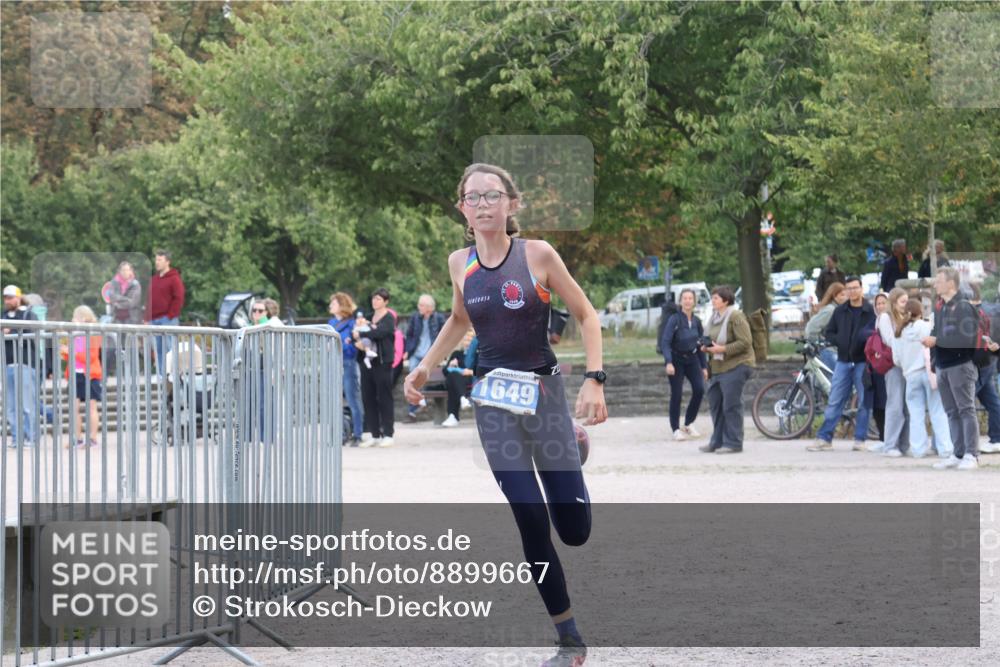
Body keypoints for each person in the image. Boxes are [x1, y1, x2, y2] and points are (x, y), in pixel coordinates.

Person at [404, 163, 607, 666]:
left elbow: (586, 314)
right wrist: (424, 366)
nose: (482, 204)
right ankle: (570, 640)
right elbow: (458, 319)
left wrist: (594, 379)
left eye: (492, 195)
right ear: (462, 210)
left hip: (545, 394)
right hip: (494, 401)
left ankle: (573, 442)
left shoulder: (536, 254)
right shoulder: (459, 263)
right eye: (472, 197)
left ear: (511, 205)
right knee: (529, 518)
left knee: (575, 531)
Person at [808, 276, 877, 452]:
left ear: (862, 289)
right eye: (849, 288)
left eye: (855, 288)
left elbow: (875, 334)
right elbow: (829, 332)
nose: (852, 291)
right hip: (843, 361)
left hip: (863, 362)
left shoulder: (870, 311)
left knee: (864, 402)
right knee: (835, 400)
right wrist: (840, 341)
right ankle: (825, 438)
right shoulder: (840, 311)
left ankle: (860, 439)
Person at [923, 267, 980, 470]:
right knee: (951, 411)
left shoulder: (964, 307)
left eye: (939, 280)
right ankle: (958, 453)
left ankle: (971, 454)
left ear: (951, 283)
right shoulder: (941, 308)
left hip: (960, 364)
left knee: (966, 409)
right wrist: (934, 362)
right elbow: (934, 332)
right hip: (944, 365)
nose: (935, 284)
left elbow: (966, 339)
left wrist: (937, 340)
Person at [892, 299, 953, 459]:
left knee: (915, 413)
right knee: (937, 411)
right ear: (920, 312)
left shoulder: (899, 332)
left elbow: (896, 360)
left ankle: (918, 449)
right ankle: (945, 448)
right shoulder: (925, 327)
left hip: (910, 375)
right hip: (929, 373)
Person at [698, 286, 755, 454]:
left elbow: (745, 342)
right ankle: (717, 441)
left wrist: (721, 349)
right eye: (713, 298)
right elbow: (712, 340)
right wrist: (706, 348)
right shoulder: (714, 318)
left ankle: (734, 443)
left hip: (737, 365)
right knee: (716, 404)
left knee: (731, 405)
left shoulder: (736, 316)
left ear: (726, 300)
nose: (712, 300)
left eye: (716, 298)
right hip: (717, 367)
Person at [659, 288, 707, 441]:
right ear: (680, 301)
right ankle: (675, 429)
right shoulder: (674, 319)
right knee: (677, 394)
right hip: (676, 360)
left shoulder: (697, 321)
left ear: (694, 301)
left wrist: (704, 366)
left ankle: (688, 423)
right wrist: (669, 362)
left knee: (699, 389)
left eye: (690, 298)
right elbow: (665, 342)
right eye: (684, 298)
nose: (687, 301)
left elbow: (701, 344)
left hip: (692, 359)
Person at [354, 288, 397, 448]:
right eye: (374, 298)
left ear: (386, 301)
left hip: (382, 362)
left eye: (378, 299)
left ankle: (388, 433)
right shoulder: (368, 317)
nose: (375, 301)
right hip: (367, 363)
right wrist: (358, 338)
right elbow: (358, 333)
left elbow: (380, 333)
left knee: (384, 397)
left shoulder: (388, 318)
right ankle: (374, 434)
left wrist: (363, 333)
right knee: (368, 397)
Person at [873, 288, 910, 457]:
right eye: (903, 301)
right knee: (895, 404)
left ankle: (903, 443)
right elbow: (889, 340)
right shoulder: (886, 318)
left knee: (906, 406)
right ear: (894, 302)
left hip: (906, 365)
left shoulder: (904, 316)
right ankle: (890, 444)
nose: (906, 305)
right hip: (894, 365)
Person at [60, 305, 103, 449]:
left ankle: (92, 439)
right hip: (75, 374)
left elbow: (90, 357)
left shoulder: (93, 333)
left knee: (91, 407)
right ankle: (77, 438)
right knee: (74, 407)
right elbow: (71, 356)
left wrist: (70, 351)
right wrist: (64, 351)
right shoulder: (74, 334)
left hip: (90, 374)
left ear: (83, 318)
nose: (72, 320)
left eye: (75, 317)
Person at [2, 285, 39, 448]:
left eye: (10, 297)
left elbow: (34, 332)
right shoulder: (3, 316)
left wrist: (13, 330)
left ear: (18, 297)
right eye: (5, 297)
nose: (7, 300)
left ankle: (31, 437)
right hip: (7, 364)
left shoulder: (27, 314)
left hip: (24, 364)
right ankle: (17, 438)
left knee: (26, 405)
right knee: (10, 406)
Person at [329, 292, 364, 446]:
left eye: (334, 303)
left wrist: (340, 345)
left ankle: (358, 433)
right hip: (333, 363)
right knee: (334, 401)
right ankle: (340, 433)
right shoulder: (330, 323)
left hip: (348, 363)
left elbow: (351, 349)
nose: (331, 306)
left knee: (353, 399)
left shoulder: (352, 323)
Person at [968, 283, 1000, 452]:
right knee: (992, 400)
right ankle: (996, 438)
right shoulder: (993, 309)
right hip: (991, 358)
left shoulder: (976, 313)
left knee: (968, 399)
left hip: (979, 360)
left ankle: (971, 442)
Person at [404, 295, 446, 420]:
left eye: (421, 305)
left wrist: (442, 354)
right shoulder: (415, 317)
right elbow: (409, 335)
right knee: (412, 377)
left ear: (429, 308)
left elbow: (444, 337)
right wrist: (407, 351)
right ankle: (415, 407)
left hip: (430, 355)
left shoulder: (438, 318)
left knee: (425, 376)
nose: (419, 307)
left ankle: (419, 404)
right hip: (416, 354)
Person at [146, 249, 185, 378]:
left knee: (170, 350)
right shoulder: (154, 279)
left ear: (167, 262)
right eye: (156, 259)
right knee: (158, 351)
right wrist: (147, 317)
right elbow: (149, 299)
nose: (156, 262)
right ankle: (163, 379)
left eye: (159, 260)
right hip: (154, 320)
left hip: (167, 319)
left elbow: (178, 298)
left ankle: (172, 378)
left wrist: (170, 315)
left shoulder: (174, 278)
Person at [440, 328, 478, 428]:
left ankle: (453, 416)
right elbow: (445, 371)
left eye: (470, 339)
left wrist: (469, 371)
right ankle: (462, 398)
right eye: (466, 339)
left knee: (452, 381)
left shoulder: (477, 354)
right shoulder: (456, 354)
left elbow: (481, 370)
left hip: (470, 381)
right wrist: (451, 366)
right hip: (456, 382)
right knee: (453, 376)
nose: (467, 341)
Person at [805, 282, 847, 370]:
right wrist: (817, 345)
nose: (845, 297)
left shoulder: (838, 309)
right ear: (835, 296)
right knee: (837, 380)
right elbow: (811, 327)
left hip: (834, 350)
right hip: (829, 351)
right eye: (842, 295)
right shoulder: (830, 310)